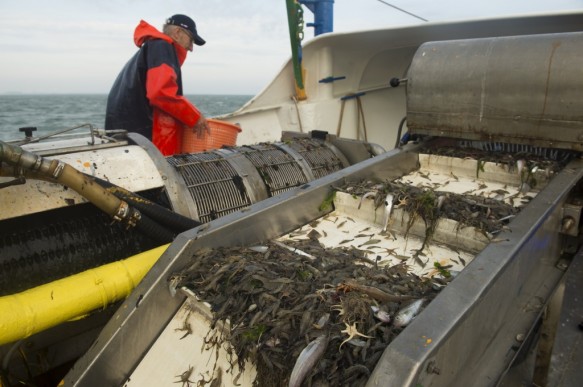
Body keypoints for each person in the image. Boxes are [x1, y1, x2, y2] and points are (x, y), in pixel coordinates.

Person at [105, 14, 209, 156]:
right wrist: (194, 116)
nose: (191, 48)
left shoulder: (148, 49)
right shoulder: (162, 46)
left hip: (124, 142)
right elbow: (160, 93)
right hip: (142, 145)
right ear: (178, 33)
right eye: (191, 40)